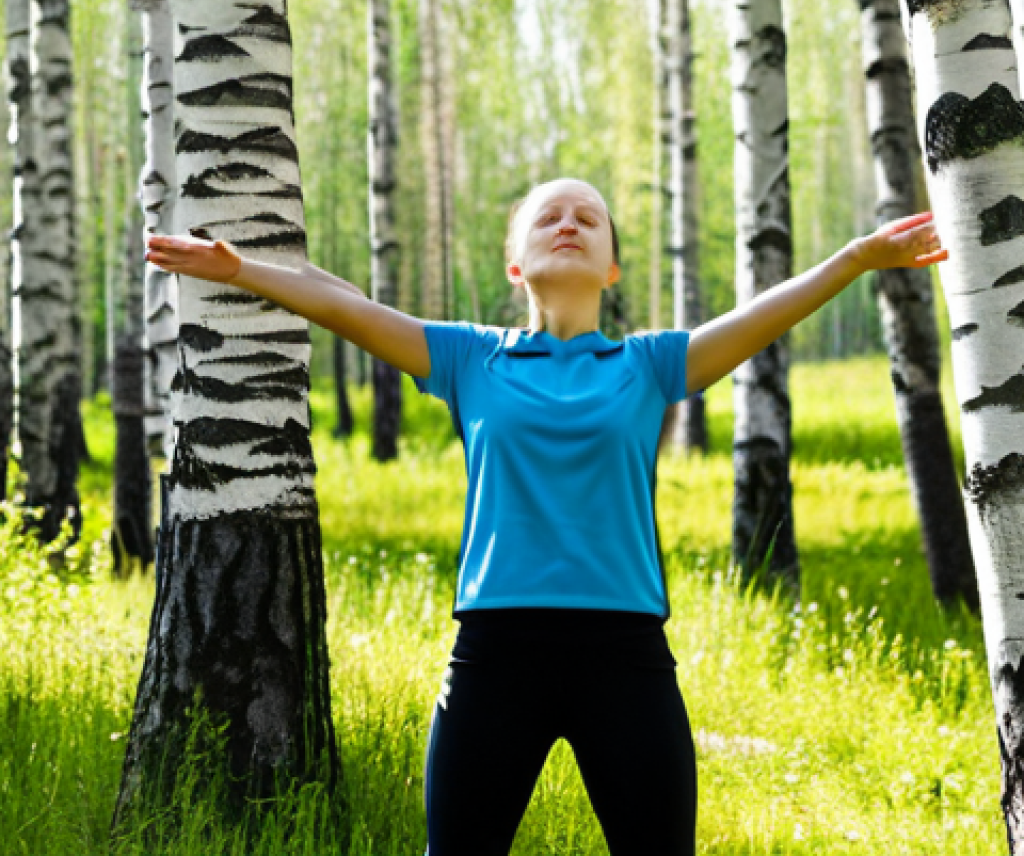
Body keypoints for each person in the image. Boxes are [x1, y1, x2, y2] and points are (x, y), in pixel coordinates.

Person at [145, 177, 947, 855]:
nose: (569, 224)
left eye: (588, 218)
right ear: (516, 263)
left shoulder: (650, 364)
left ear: (611, 268)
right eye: (549, 217)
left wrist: (857, 259)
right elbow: (344, 305)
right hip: (496, 654)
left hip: (626, 657)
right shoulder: (470, 358)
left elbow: (766, 316)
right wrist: (244, 267)